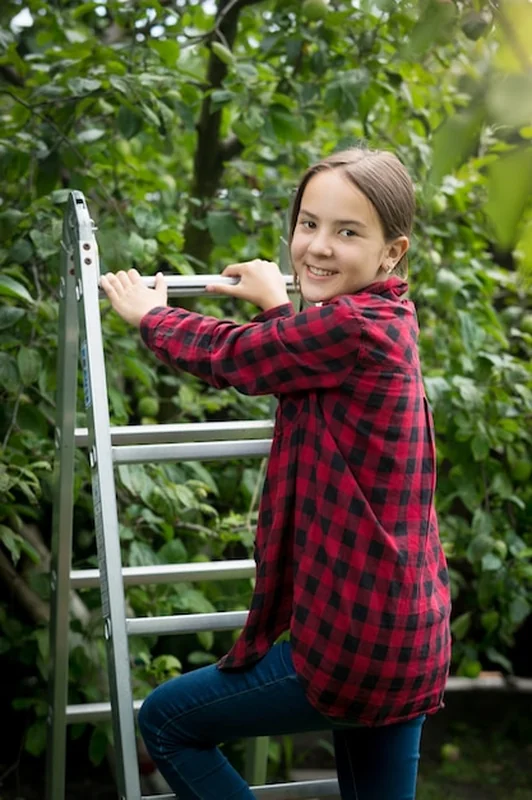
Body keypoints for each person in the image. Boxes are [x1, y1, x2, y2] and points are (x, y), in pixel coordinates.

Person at [100, 147, 452, 800]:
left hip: (357, 645)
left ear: (391, 253)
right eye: (308, 223)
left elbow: (242, 358)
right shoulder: (379, 324)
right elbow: (303, 377)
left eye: (348, 232)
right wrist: (274, 308)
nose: (317, 247)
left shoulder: (354, 329)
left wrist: (151, 316)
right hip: (406, 636)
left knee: (167, 719)